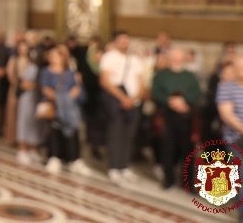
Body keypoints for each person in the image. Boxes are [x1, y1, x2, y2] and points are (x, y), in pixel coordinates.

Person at [216, 55, 243, 223]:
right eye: (241, 68)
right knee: (242, 175)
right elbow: (227, 115)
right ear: (235, 70)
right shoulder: (226, 88)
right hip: (237, 140)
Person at [99, 30, 145, 184]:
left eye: (127, 39)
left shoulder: (135, 60)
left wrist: (134, 98)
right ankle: (114, 167)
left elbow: (140, 82)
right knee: (116, 133)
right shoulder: (109, 57)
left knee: (129, 134)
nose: (125, 42)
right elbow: (105, 81)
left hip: (133, 101)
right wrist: (123, 97)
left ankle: (124, 166)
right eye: (122, 39)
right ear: (116, 41)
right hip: (117, 99)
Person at [39, 45, 93, 176]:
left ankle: (74, 160)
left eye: (56, 55)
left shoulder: (70, 73)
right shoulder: (46, 72)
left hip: (70, 109)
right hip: (54, 106)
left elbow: (76, 89)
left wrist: (67, 99)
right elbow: (45, 89)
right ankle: (54, 157)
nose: (53, 58)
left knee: (73, 133)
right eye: (51, 56)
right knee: (54, 131)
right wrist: (60, 99)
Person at [151, 47, 200, 189]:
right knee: (167, 149)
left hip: (186, 117)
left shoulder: (190, 76)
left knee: (188, 150)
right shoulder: (161, 75)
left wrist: (184, 102)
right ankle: (168, 179)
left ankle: (188, 182)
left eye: (179, 58)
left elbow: (196, 93)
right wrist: (171, 101)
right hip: (166, 116)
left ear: (183, 59)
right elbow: (156, 92)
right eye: (173, 58)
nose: (176, 61)